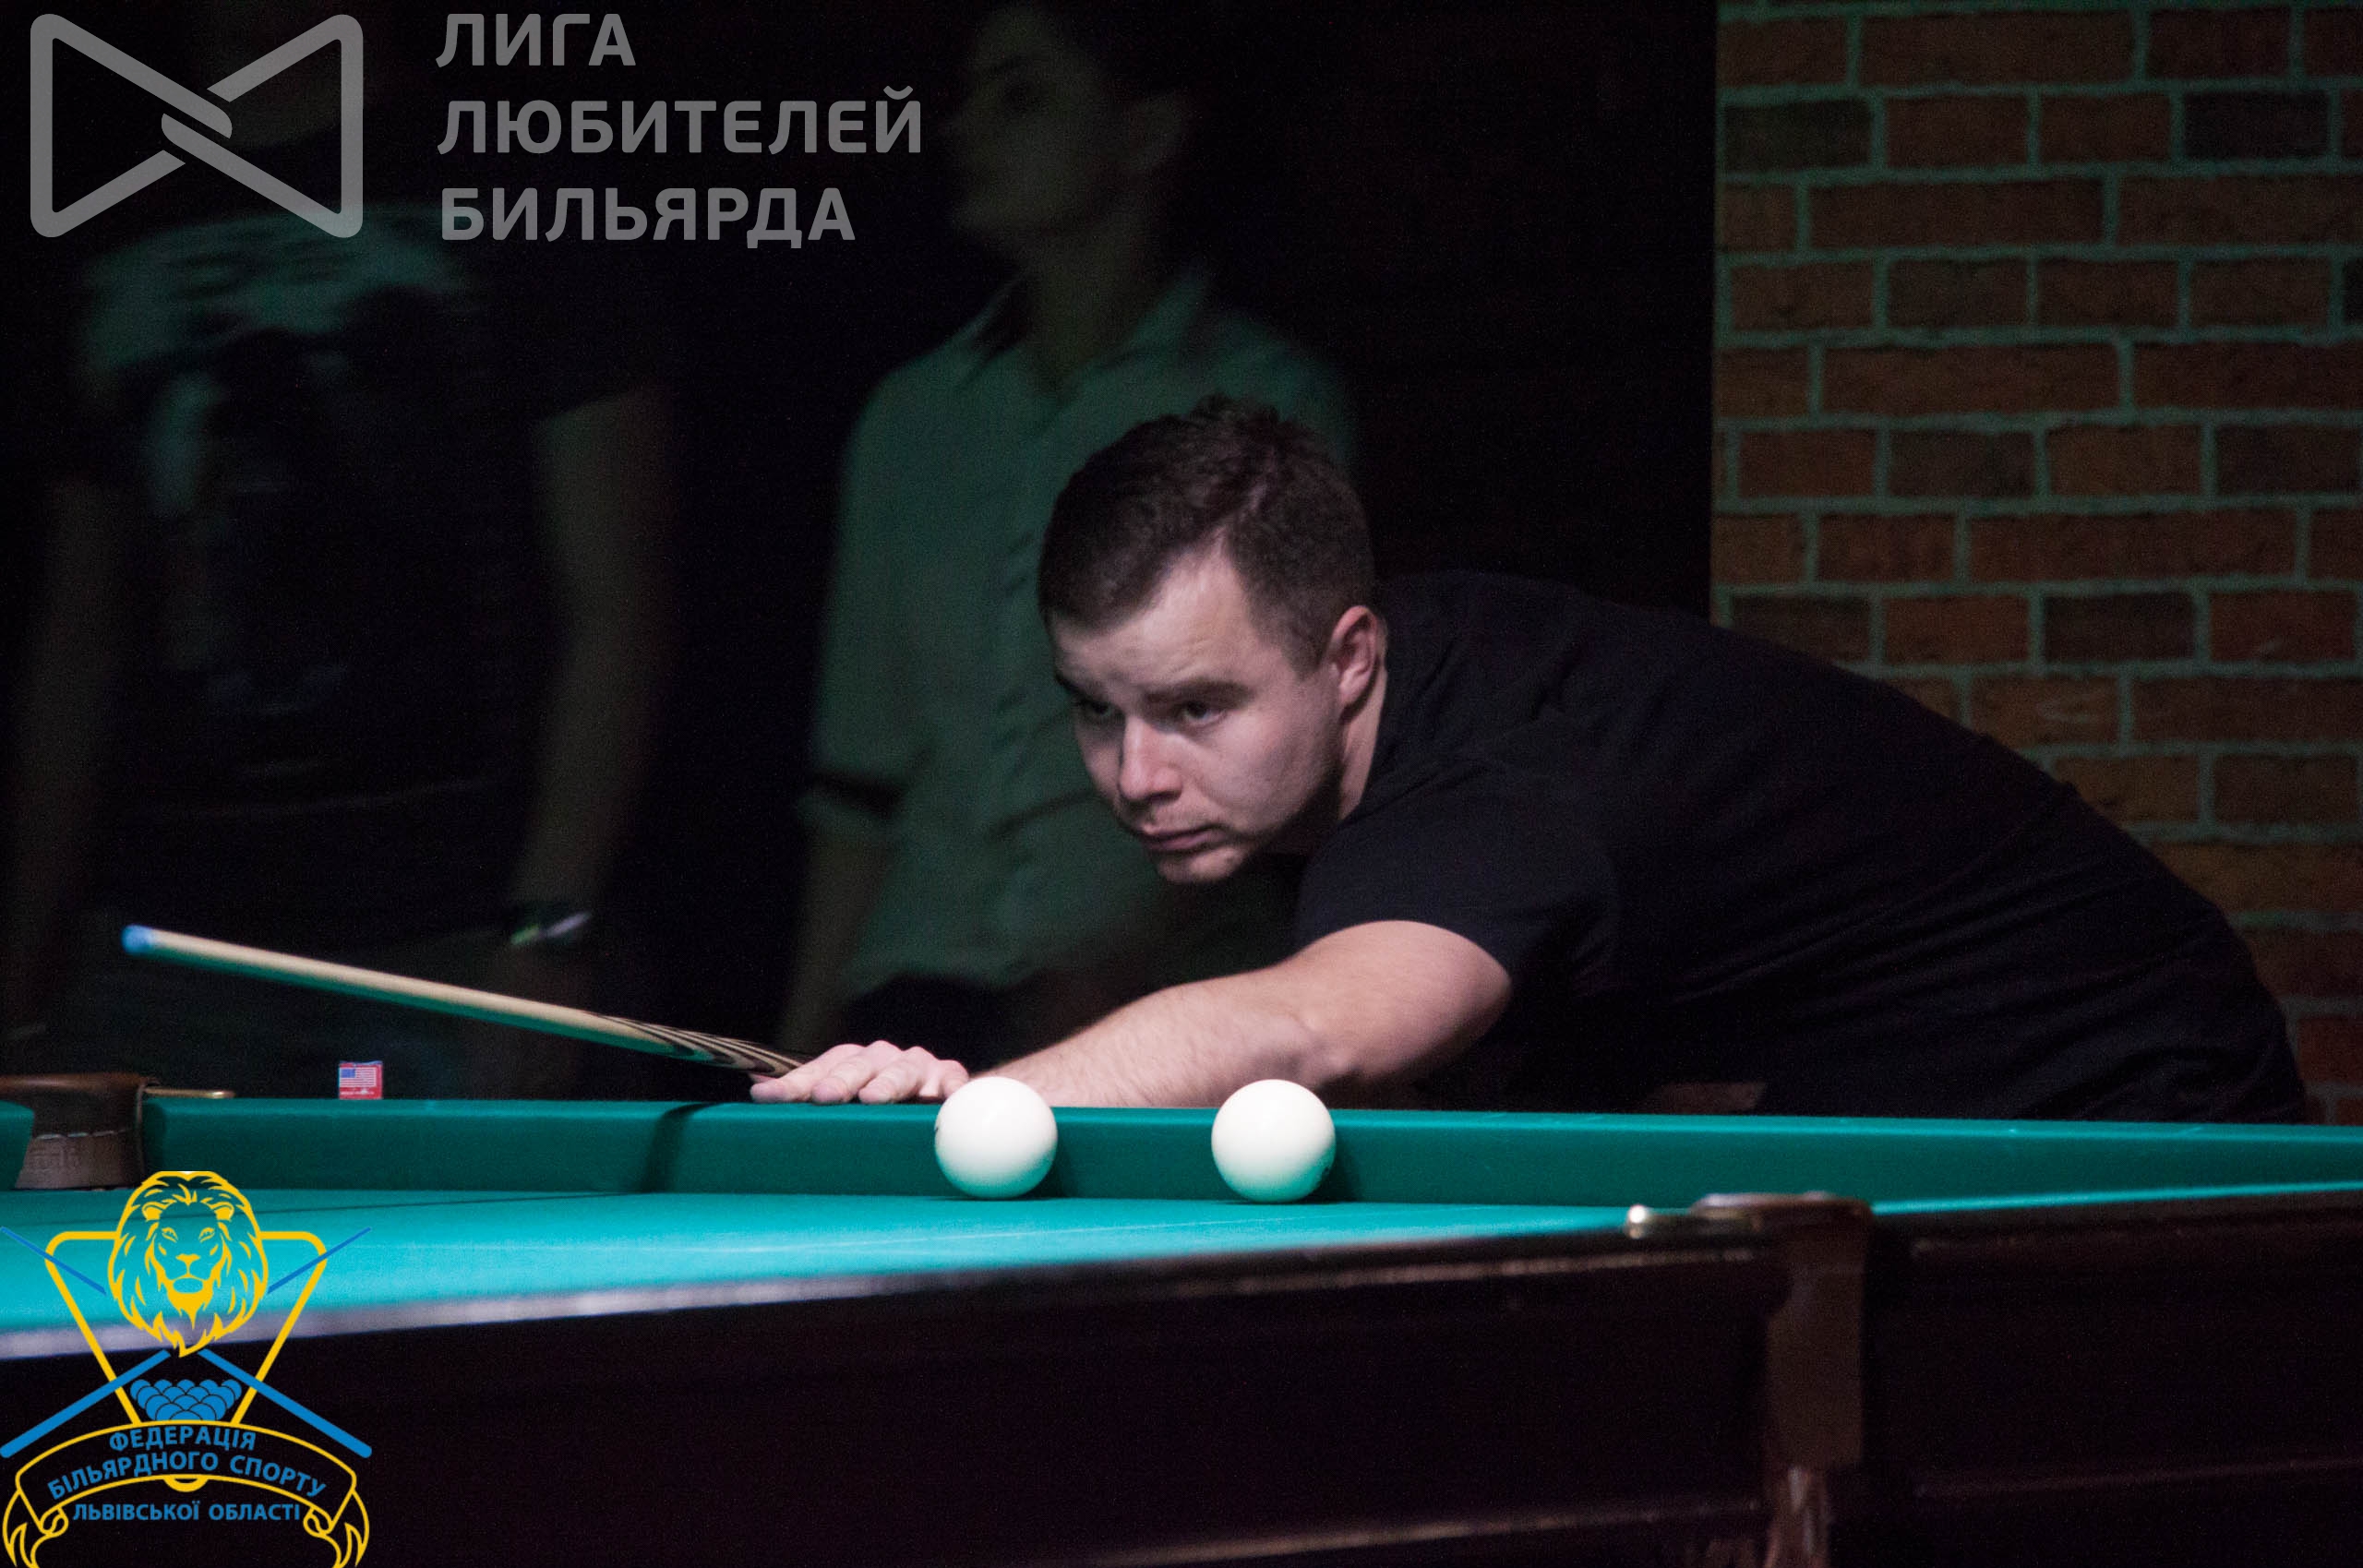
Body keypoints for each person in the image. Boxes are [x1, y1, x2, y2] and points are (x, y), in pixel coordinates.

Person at [753, 399, 2304, 1121]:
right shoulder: (1410, 690)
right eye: (1097, 709)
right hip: (1914, 1066)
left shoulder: (1488, 803)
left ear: (1349, 654)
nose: (1133, 771)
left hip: (2123, 1075)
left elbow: (1315, 1032)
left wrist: (985, 1105)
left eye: (1195, 708)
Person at [4, 0, 673, 1097]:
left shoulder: (506, 186)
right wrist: (25, 971)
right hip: (158, 954)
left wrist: (549, 929)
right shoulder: (103, 223)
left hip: (457, 939)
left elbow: (620, 597)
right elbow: (78, 635)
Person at [778, 0, 1353, 1068]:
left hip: (1175, 1011)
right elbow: (859, 776)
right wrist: (803, 1042)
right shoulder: (914, 417)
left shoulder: (1268, 400)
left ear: (1144, 134)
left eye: (1023, 96)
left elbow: (1300, 744)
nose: (964, 128)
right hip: (918, 1002)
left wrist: (1117, 971)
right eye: (970, 97)